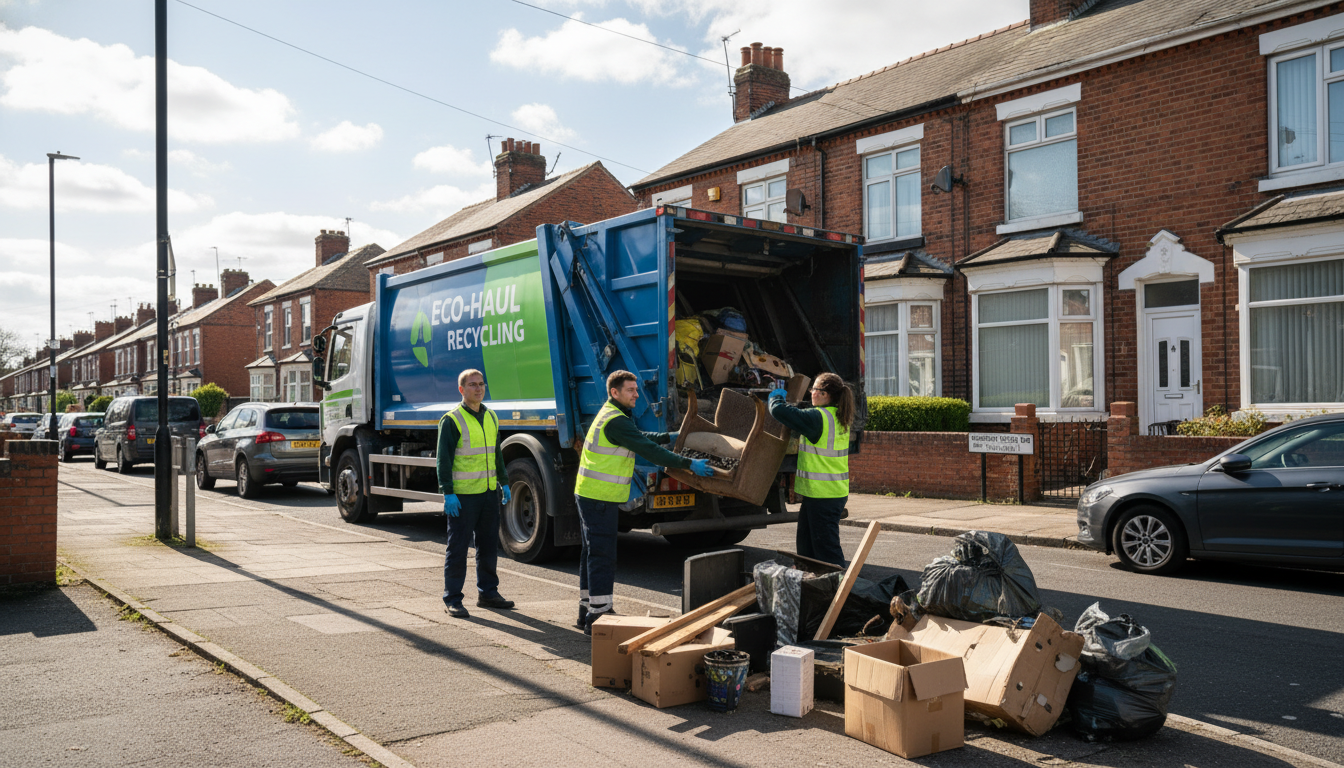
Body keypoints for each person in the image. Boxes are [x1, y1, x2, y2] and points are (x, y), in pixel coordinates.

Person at [574, 369, 714, 633]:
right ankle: (599, 616)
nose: (637, 394)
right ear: (614, 392)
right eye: (631, 390)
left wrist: (667, 437)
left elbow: (638, 439)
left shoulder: (613, 415)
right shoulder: (615, 420)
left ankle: (587, 609)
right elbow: (647, 450)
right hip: (599, 498)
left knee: (591, 552)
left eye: (636, 389)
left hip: (591, 494)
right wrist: (688, 464)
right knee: (602, 555)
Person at [436, 368, 514, 618]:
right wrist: (448, 493)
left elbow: (496, 453)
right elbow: (443, 460)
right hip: (463, 497)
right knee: (458, 548)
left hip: (489, 493)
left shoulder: (491, 416)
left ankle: (488, 593)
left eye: (481, 384)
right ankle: (453, 598)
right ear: (461, 390)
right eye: (472, 385)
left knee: (489, 546)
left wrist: (504, 482)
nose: (478, 388)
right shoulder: (452, 419)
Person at [768, 372, 855, 566]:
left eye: (814, 389)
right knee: (807, 549)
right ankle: (812, 587)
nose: (811, 393)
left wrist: (775, 397)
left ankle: (839, 590)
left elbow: (779, 412)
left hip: (823, 496)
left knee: (827, 553)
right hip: (825, 494)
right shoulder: (835, 416)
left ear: (825, 394)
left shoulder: (818, 418)